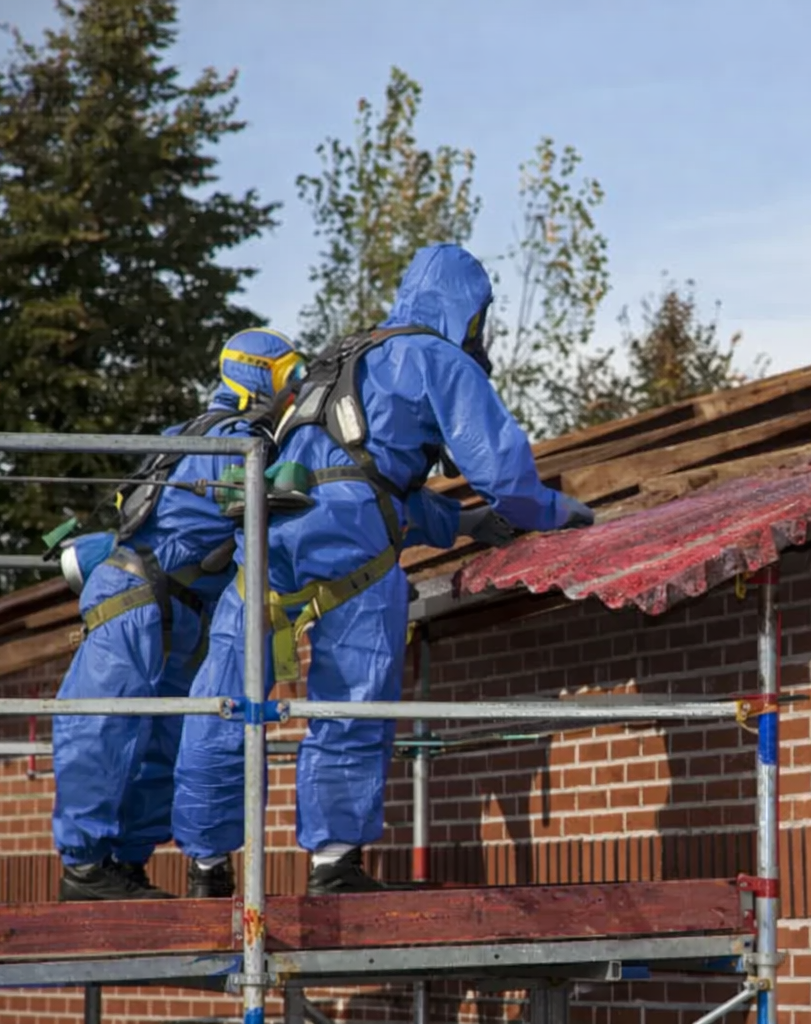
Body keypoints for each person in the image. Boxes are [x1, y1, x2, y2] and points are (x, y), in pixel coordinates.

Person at [173, 243, 593, 897]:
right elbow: (503, 475)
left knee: (225, 701)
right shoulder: (436, 357)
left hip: (268, 539)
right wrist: (556, 512)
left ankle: (204, 868)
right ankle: (334, 866)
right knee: (351, 701)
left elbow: (358, 473)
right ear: (468, 311)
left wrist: (460, 524)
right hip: (352, 552)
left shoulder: (343, 358)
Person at [50, 329, 307, 901]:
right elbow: (243, 495)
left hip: (180, 610)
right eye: (290, 377)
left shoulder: (187, 433)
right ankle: (85, 870)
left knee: (163, 740)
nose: (293, 395)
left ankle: (123, 865)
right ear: (262, 378)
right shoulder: (234, 442)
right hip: (136, 598)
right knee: (104, 724)